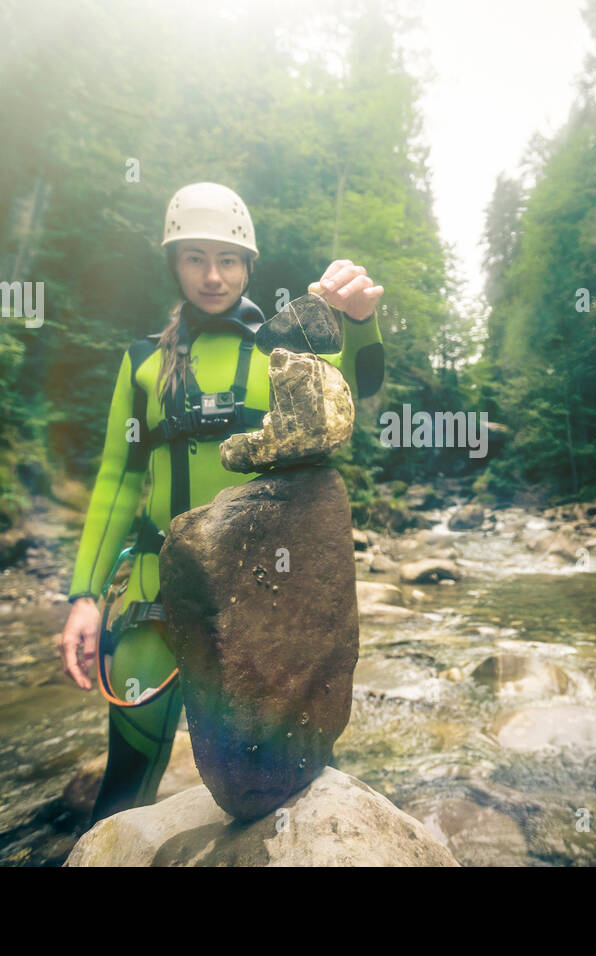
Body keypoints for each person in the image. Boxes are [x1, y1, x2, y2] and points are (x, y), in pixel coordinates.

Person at [59, 182, 385, 823]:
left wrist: (364, 315)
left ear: (249, 267)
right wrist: (84, 597)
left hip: (263, 603)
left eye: (228, 260)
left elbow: (365, 384)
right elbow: (117, 480)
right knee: (123, 789)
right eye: (195, 258)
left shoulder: (284, 347)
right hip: (153, 595)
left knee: (292, 784)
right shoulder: (143, 364)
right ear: (174, 264)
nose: (213, 275)